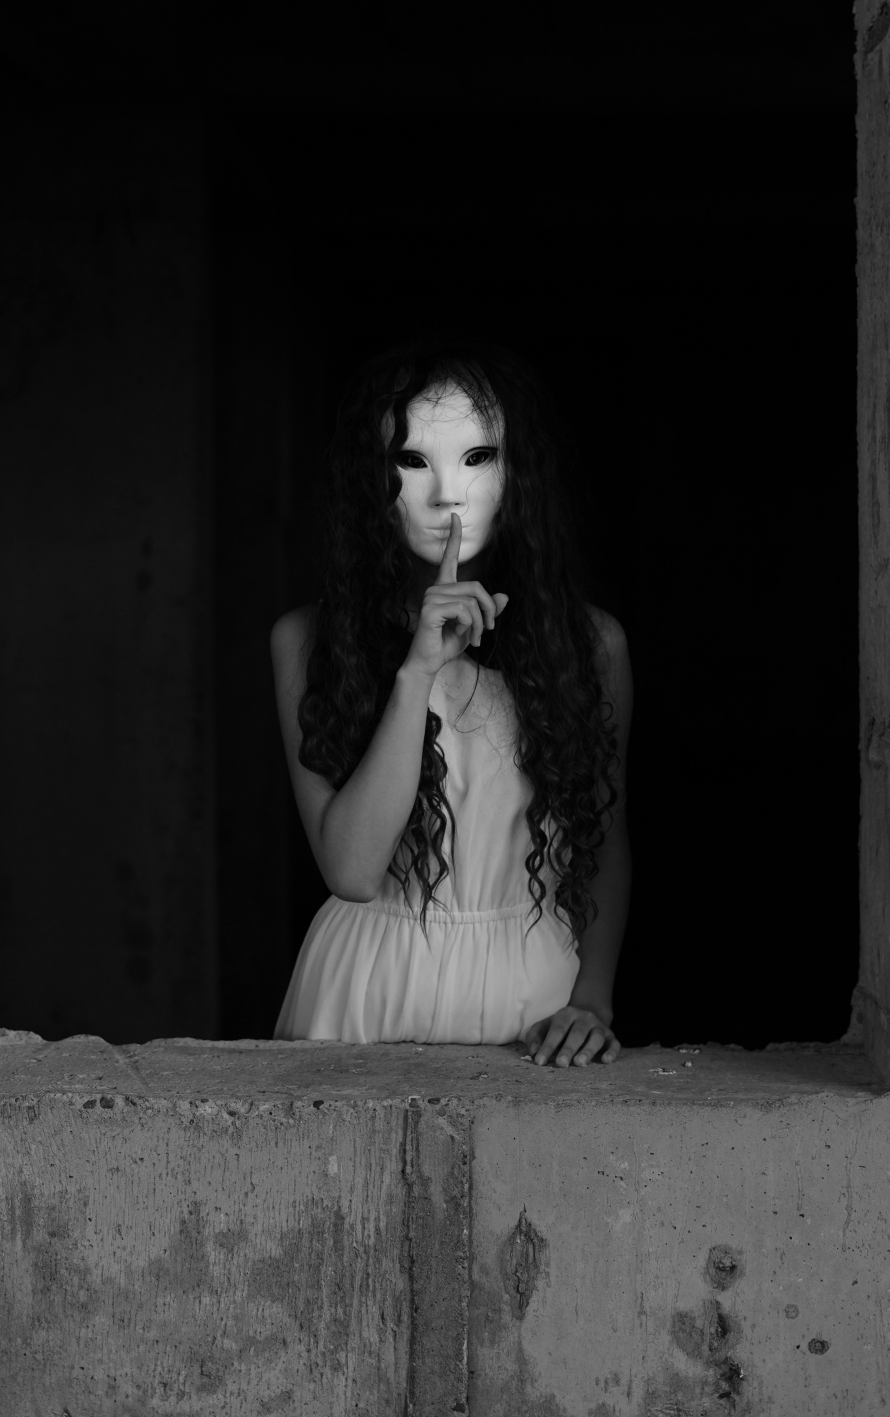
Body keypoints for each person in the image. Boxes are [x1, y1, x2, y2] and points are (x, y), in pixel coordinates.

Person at [271, 345, 632, 1066]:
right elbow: (351, 871)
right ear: (369, 478)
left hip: (534, 1004)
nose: (447, 494)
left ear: (518, 470)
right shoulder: (308, 640)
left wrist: (592, 999)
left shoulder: (589, 644)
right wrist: (417, 673)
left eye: (477, 457)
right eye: (411, 461)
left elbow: (606, 841)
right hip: (362, 995)